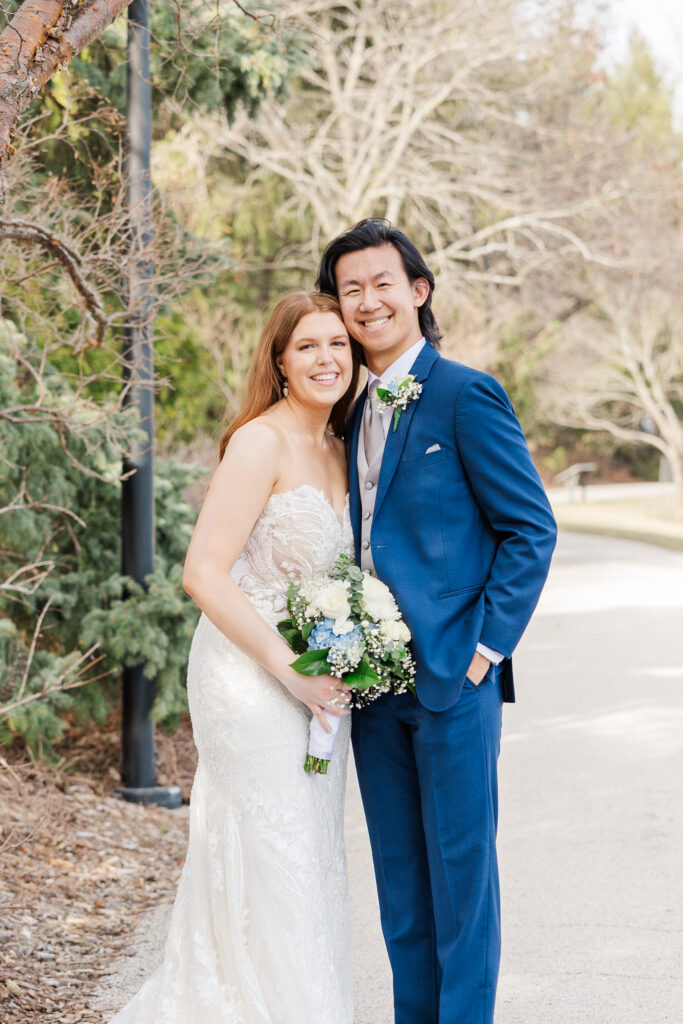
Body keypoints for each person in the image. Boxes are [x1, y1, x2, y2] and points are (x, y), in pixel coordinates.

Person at [316, 219, 558, 1024]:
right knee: (402, 896)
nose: (367, 300)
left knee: (461, 892)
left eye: (381, 282)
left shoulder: (464, 394)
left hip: (455, 680)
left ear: (417, 291)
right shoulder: (348, 417)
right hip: (374, 688)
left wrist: (486, 650)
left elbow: (530, 528)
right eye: (350, 290)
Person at [109, 292, 361, 1024]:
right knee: (271, 848)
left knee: (310, 853)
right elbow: (202, 573)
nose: (326, 359)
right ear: (279, 361)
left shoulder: (342, 448)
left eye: (337, 345)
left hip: (314, 682)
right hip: (248, 680)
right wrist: (291, 670)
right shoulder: (260, 441)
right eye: (308, 346)